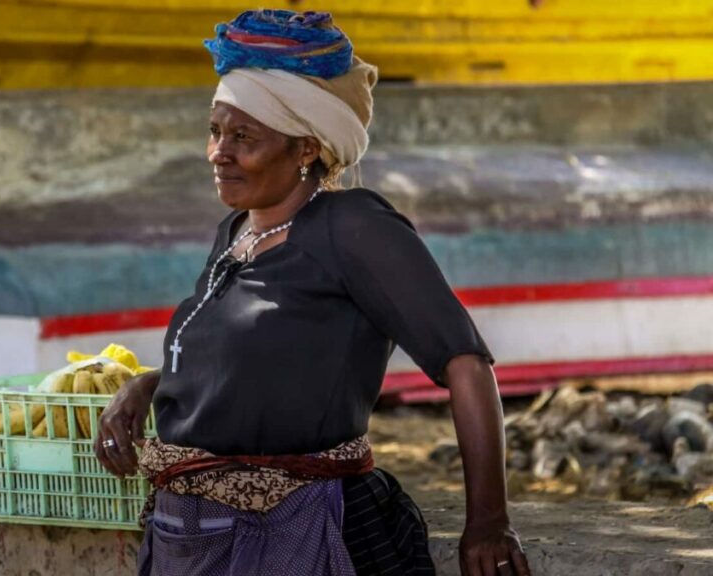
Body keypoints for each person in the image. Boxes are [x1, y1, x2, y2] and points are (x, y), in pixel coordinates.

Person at [94, 9, 532, 576]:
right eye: (215, 130)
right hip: (194, 539)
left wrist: (488, 521)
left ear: (305, 149)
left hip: (297, 534)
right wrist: (148, 386)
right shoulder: (237, 232)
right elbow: (247, 362)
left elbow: (466, 363)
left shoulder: (353, 227)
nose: (218, 152)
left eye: (243, 137)